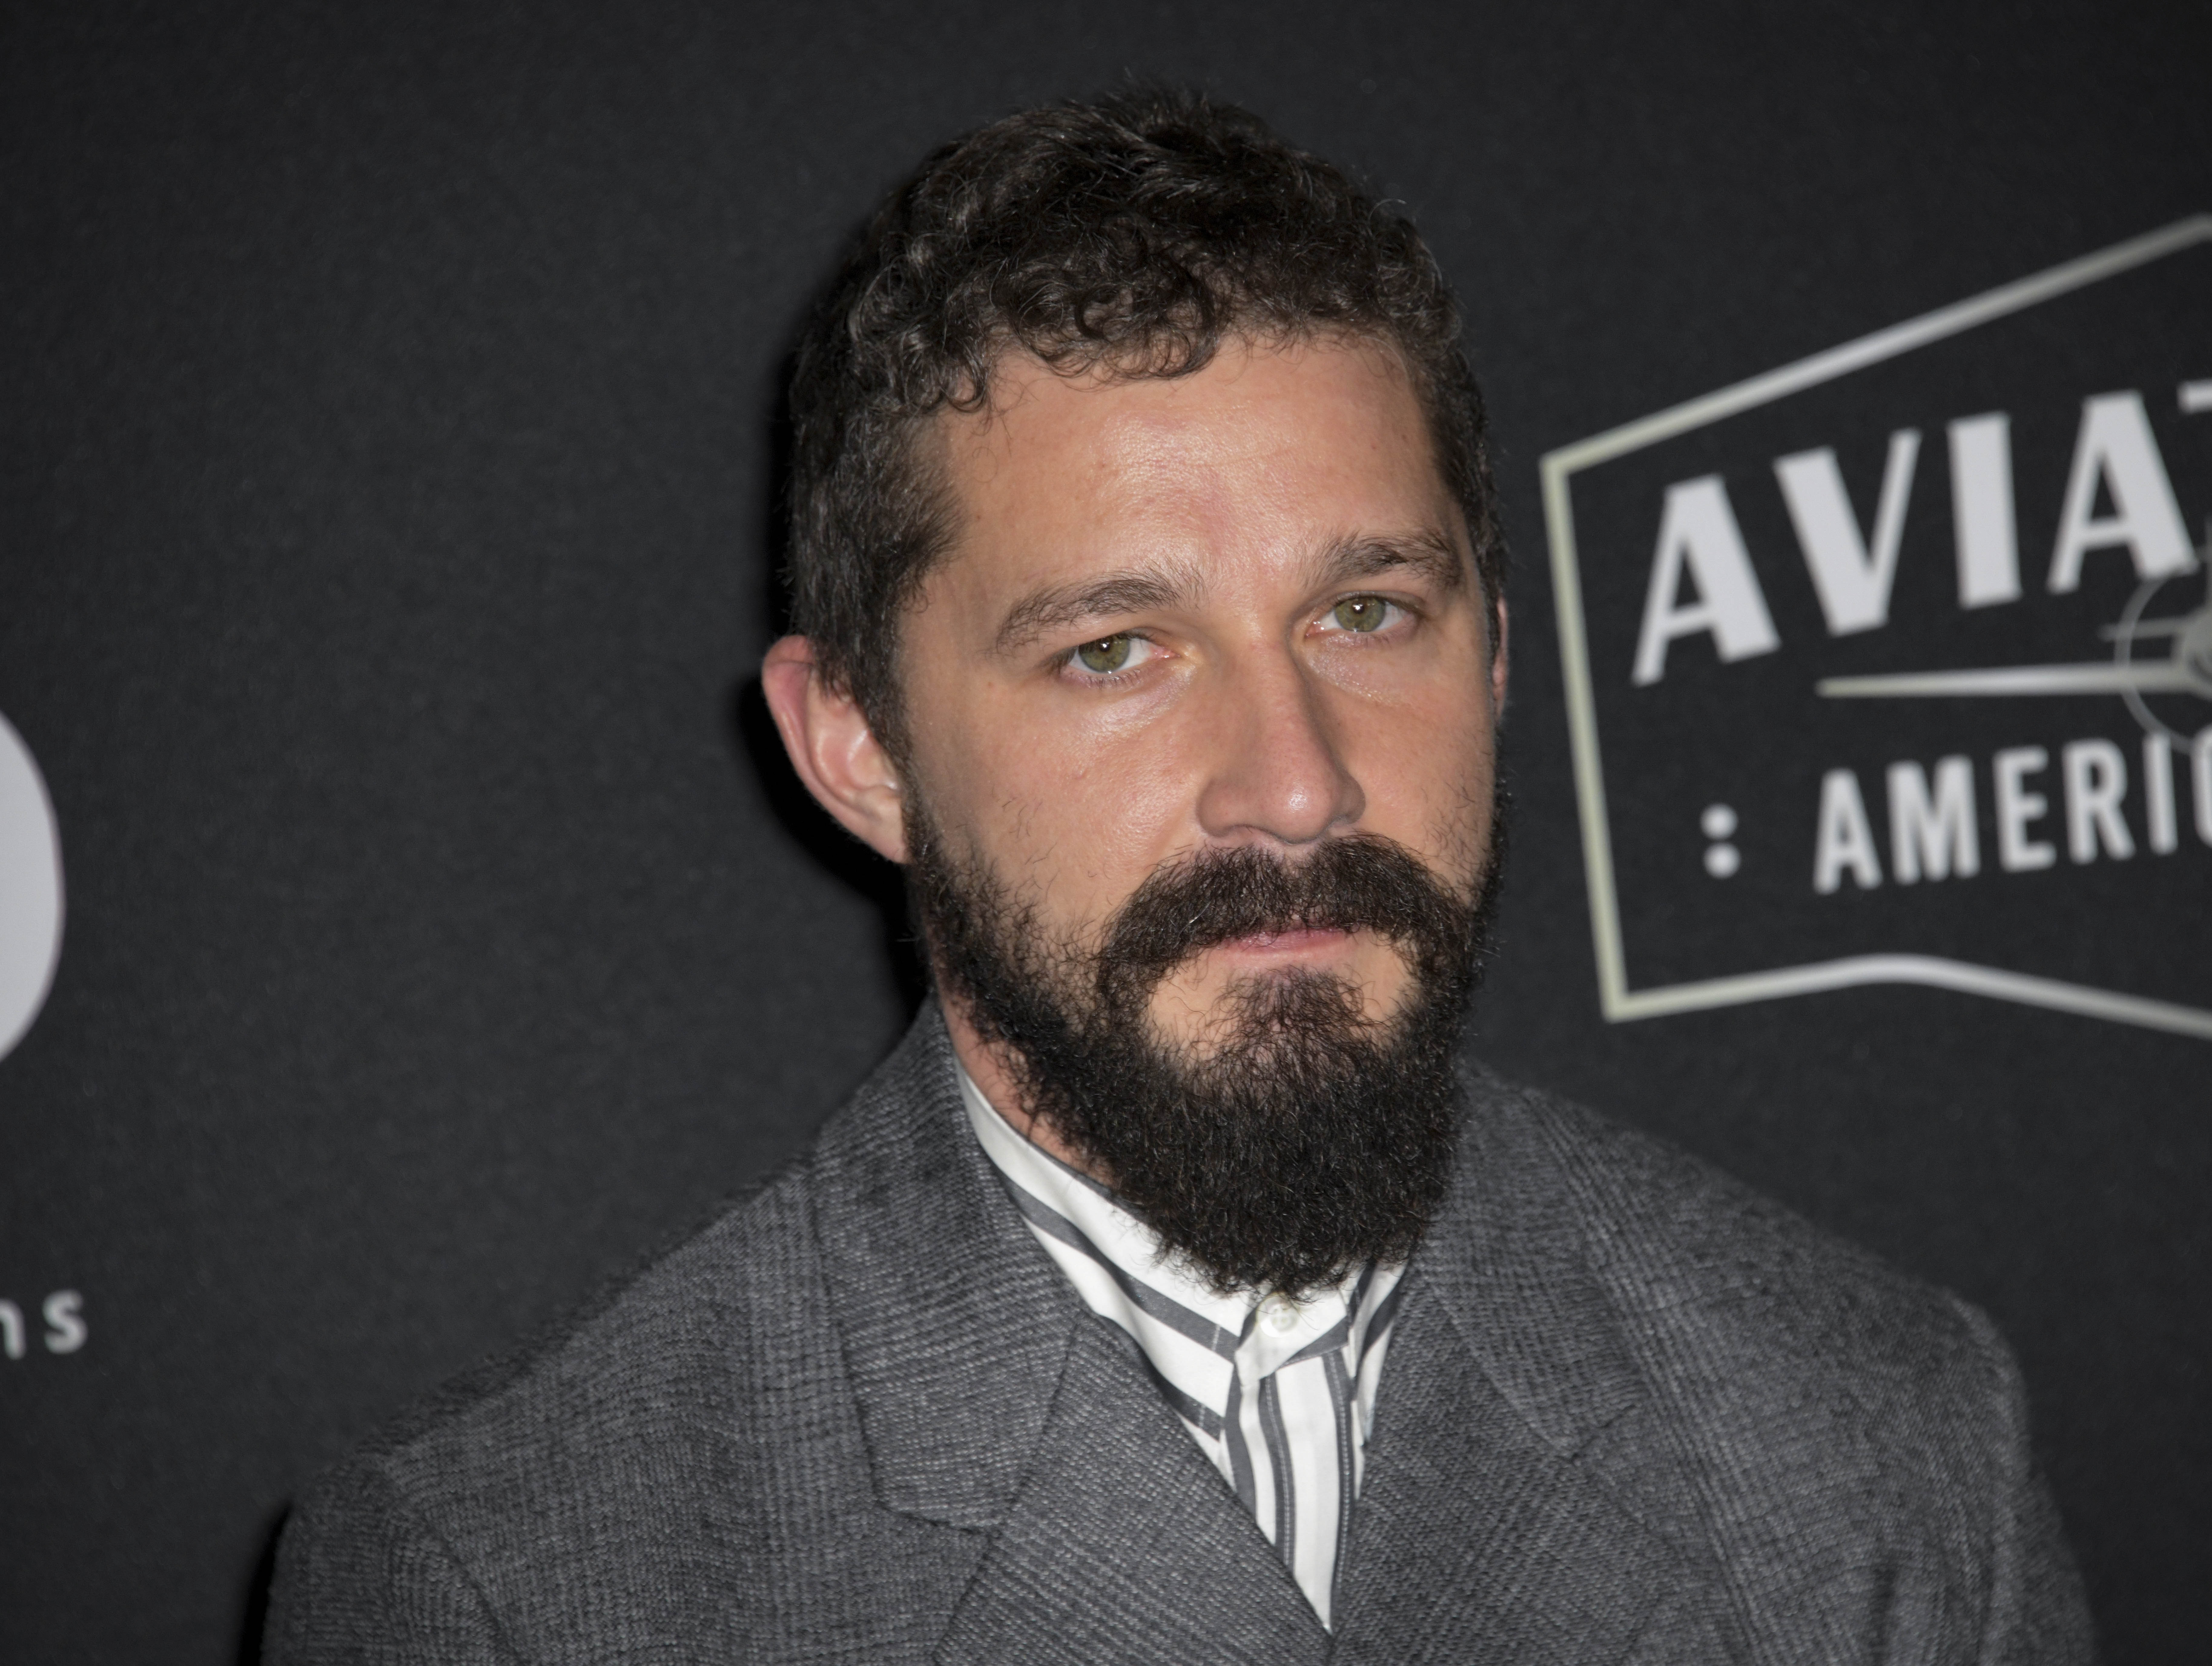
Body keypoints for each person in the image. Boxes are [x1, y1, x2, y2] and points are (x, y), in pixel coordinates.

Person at [264, 89, 2094, 1663]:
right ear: (860, 747)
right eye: (1114, 651)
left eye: (1366, 613)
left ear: (1501, 659)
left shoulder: (1877, 1440)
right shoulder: (518, 1592)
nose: (1294, 784)